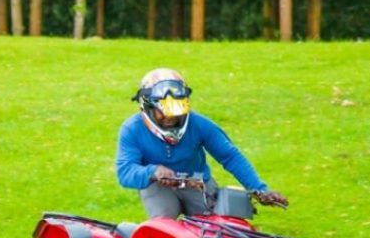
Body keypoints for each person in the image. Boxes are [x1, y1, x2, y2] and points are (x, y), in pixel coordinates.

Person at [115, 68, 288, 219]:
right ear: (147, 108)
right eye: (163, 113)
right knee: (163, 225)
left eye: (176, 113)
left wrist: (259, 189)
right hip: (158, 186)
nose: (171, 118)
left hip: (197, 183)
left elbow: (230, 157)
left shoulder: (200, 124)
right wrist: (153, 172)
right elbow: (125, 172)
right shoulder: (131, 129)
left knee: (218, 228)